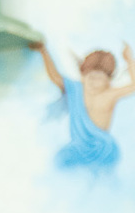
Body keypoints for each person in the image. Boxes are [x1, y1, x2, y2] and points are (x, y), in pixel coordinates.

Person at [34, 39, 135, 168]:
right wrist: (44, 52)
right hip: (77, 148)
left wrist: (129, 59)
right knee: (60, 161)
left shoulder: (109, 94)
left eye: (99, 78)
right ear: (82, 76)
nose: (93, 82)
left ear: (108, 80)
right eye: (90, 77)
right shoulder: (76, 89)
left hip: (103, 150)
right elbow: (56, 78)